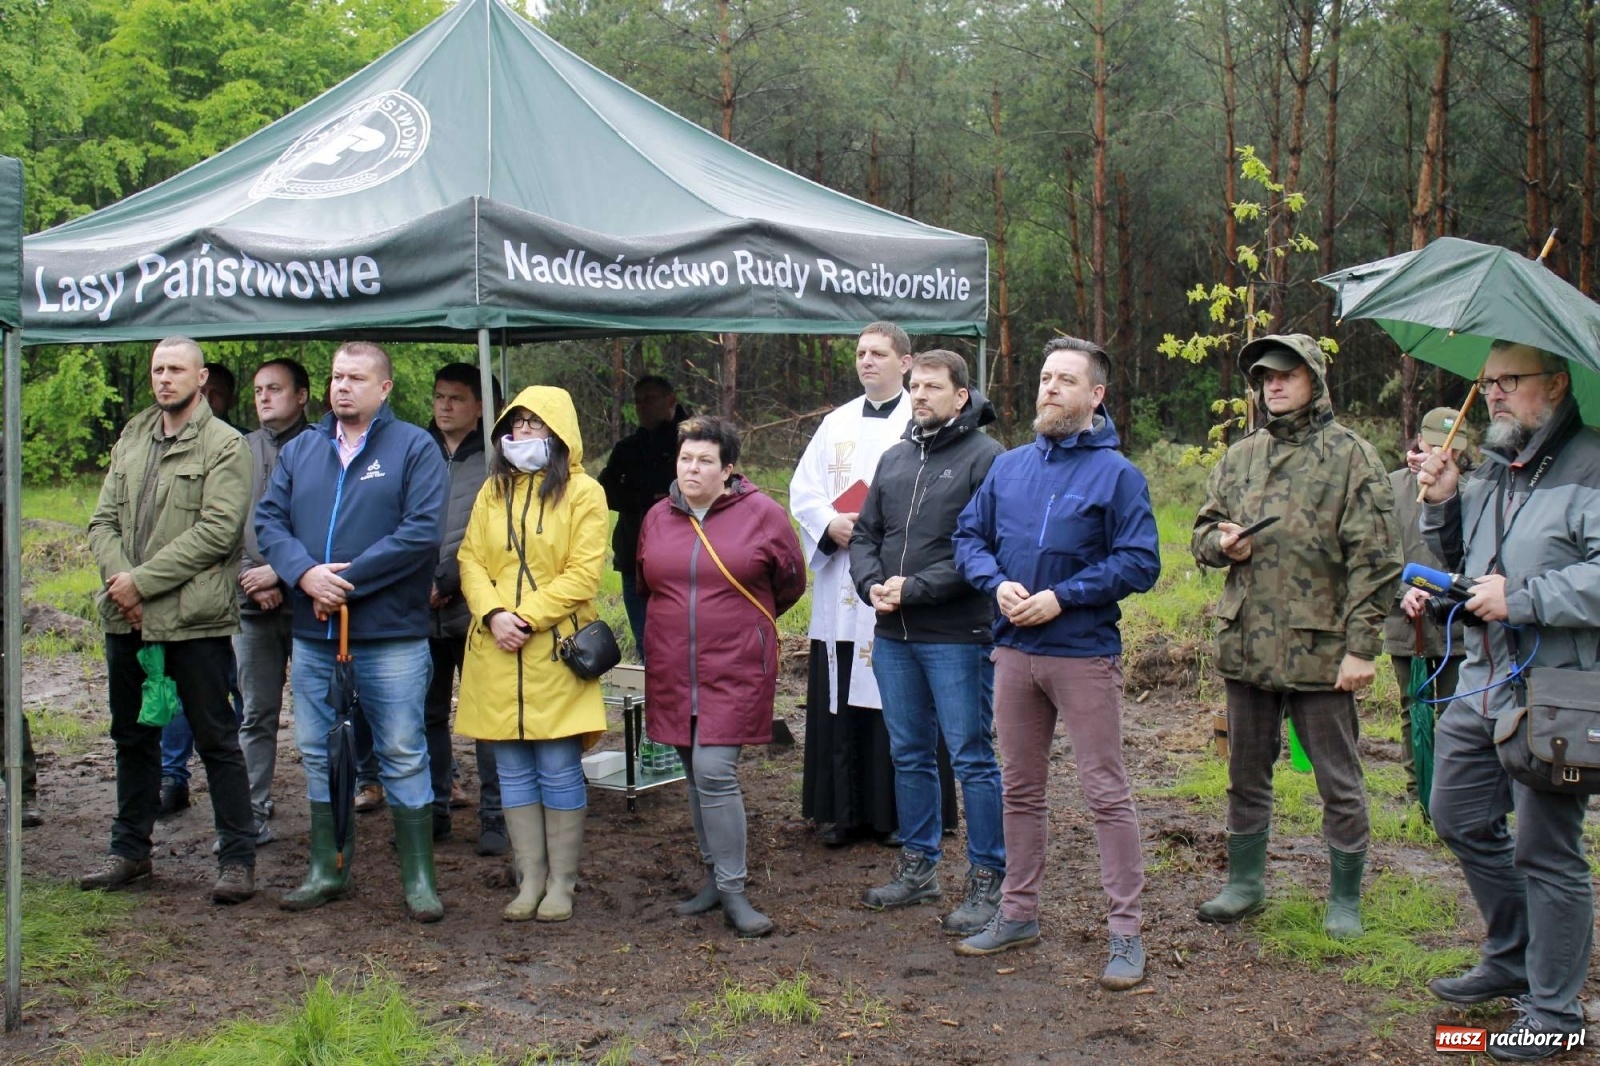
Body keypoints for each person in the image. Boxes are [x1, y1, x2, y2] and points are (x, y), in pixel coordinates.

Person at [952, 337, 1160, 990]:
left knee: (1105, 793)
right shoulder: (1009, 469)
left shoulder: (1118, 476)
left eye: (1065, 380)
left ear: (1095, 396)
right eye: (1044, 378)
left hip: (1082, 655)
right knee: (1019, 788)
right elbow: (968, 538)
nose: (1049, 389)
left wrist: (1063, 596)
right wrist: (996, 583)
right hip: (1014, 653)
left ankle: (1126, 932)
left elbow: (1140, 562)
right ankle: (1017, 913)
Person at [1417, 342, 1600, 1060]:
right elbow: (1467, 567)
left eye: (1510, 382)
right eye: (1487, 382)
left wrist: (1523, 597)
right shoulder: (1496, 465)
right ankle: (1515, 951)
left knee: (1546, 849)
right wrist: (1440, 506)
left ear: (1555, 384)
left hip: (1560, 692)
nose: (1492, 395)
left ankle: (1556, 1013)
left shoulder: (1591, 463)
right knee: (1455, 813)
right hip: (1482, 680)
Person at [1191, 334, 1400, 940]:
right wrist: (1221, 545)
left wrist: (1362, 647)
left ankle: (1344, 898)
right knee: (1245, 772)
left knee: (1339, 778)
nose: (1274, 385)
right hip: (1248, 644)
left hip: (1323, 649)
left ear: (1314, 377)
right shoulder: (1240, 456)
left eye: (1286, 374)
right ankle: (1246, 883)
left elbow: (1378, 561)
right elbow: (1202, 532)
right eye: (1264, 377)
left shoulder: (1352, 457)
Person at [255, 341, 448, 921]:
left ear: (384, 388)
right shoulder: (304, 449)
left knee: (401, 750)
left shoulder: (414, 447)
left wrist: (347, 581)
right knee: (319, 750)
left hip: (390, 634)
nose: (343, 387)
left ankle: (418, 878)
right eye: (338, 376)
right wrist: (306, 574)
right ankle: (328, 867)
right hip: (315, 637)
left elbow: (420, 533)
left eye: (357, 378)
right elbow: (269, 519)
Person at [82, 337, 257, 903]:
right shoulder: (133, 435)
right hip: (125, 618)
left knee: (216, 739)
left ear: (201, 378)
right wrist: (121, 584)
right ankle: (130, 852)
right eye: (158, 369)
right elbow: (102, 521)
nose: (164, 379)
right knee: (131, 738)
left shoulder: (225, 445)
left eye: (176, 369)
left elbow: (218, 531)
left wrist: (141, 583)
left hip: (194, 622)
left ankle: (237, 859)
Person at [849, 350, 1006, 936]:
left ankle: (990, 878)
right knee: (909, 752)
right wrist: (872, 585)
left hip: (957, 635)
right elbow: (866, 535)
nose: (919, 396)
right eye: (915, 387)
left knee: (971, 756)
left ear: (961, 395)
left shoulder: (987, 459)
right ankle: (919, 868)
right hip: (893, 633)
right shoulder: (892, 459)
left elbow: (987, 549)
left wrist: (915, 588)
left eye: (932, 388)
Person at [639, 416, 806, 937]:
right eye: (685, 458)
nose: (692, 468)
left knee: (714, 771)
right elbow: (648, 582)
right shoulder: (657, 516)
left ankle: (733, 890)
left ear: (728, 469)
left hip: (735, 665)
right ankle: (712, 879)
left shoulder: (763, 515)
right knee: (693, 771)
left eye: (704, 460)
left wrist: (743, 628)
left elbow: (791, 581)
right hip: (672, 664)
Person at [792, 321, 955, 847]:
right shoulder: (835, 422)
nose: (866, 361)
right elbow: (804, 489)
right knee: (841, 694)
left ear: (905, 363)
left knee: (900, 697)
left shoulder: (924, 420)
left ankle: (902, 815)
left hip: (899, 581)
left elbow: (939, 499)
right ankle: (846, 810)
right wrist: (827, 524)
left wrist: (877, 536)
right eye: (861, 353)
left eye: (879, 353)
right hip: (843, 578)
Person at [456, 386, 609, 924]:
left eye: (535, 425)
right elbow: (470, 559)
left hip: (554, 650)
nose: (523, 434)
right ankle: (530, 879)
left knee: (558, 766)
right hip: (496, 649)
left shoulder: (585, 493)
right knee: (512, 768)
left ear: (559, 433)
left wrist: (525, 617)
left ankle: (562, 883)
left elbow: (583, 573)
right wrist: (494, 615)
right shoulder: (491, 491)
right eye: (515, 425)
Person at [424, 363, 505, 854]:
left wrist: (452, 579)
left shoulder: (497, 462)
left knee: (486, 717)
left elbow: (496, 534)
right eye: (439, 397)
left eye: (455, 398)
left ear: (480, 406)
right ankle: (434, 809)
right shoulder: (415, 452)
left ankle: (493, 816)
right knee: (426, 715)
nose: (444, 406)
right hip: (419, 608)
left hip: (476, 610)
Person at [232, 357, 312, 846]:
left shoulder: (324, 447)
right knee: (255, 713)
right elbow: (221, 522)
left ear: (301, 395)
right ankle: (251, 813)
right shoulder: (237, 450)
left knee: (317, 715)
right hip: (249, 605)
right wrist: (248, 575)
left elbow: (331, 523)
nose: (264, 397)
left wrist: (282, 574)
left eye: (275, 389)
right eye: (259, 389)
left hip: (307, 604)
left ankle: (328, 821)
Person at [1385, 407, 1474, 812]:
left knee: (1457, 709)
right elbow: (1378, 551)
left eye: (1449, 448)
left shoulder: (1471, 491)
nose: (1440, 453)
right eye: (1433, 445)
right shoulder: (1391, 488)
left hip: (1457, 617)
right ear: (1419, 442)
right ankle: (1416, 791)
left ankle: (1452, 795)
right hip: (1406, 616)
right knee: (1413, 706)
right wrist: (1402, 592)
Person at [598, 375, 687, 656]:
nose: (642, 407)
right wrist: (644, 499)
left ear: (670, 401)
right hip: (633, 553)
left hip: (682, 554)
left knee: (683, 642)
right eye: (637, 401)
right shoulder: (628, 448)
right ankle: (657, 699)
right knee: (646, 641)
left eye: (649, 399)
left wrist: (659, 496)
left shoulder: (692, 443)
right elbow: (604, 490)